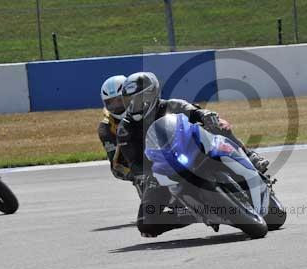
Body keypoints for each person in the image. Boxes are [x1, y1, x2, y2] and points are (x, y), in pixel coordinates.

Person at [116, 72, 270, 238]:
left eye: (138, 100)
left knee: (219, 125)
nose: (134, 105)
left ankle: (250, 157)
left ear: (151, 94)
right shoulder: (126, 129)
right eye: (129, 101)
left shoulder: (172, 105)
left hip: (191, 150)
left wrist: (204, 114)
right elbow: (134, 161)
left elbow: (192, 111)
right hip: (159, 170)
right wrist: (143, 174)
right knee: (146, 223)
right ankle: (189, 214)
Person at [97, 75, 131, 181]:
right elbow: (116, 165)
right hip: (137, 167)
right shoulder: (106, 128)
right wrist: (134, 176)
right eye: (110, 102)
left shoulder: (145, 107)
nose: (116, 106)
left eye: (119, 100)